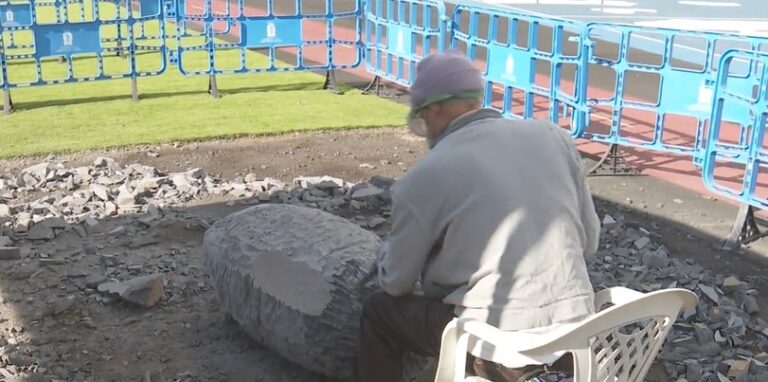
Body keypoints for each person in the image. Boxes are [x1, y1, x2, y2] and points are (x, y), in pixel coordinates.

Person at [354, 50, 601, 382]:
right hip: (578, 337)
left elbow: (396, 282)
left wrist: (389, 254)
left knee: (379, 312)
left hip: (501, 349)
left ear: (434, 109)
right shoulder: (552, 136)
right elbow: (590, 242)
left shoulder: (425, 175)